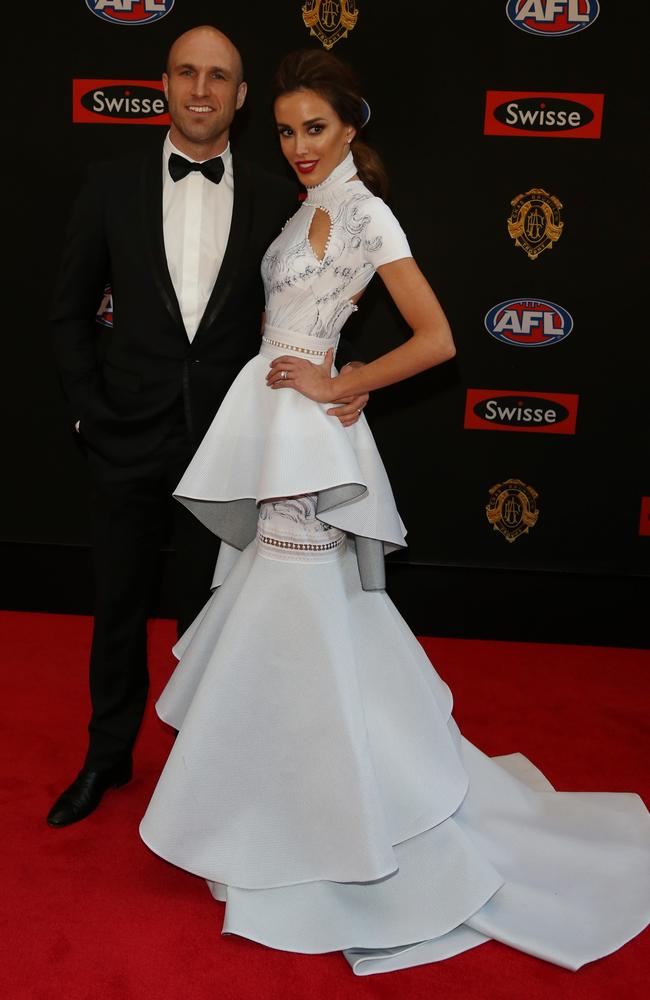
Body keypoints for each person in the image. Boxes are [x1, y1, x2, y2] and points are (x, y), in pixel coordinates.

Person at [139, 49, 650, 975]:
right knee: (302, 623)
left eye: (316, 128)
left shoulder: (367, 213)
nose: (298, 144)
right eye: (288, 129)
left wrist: (351, 380)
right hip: (277, 429)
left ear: (352, 129)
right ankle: (295, 812)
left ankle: (322, 831)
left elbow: (440, 338)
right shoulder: (313, 207)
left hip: (303, 439)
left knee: (293, 624)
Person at [46, 27, 369, 829]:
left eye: (219, 76)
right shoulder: (108, 184)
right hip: (122, 435)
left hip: (227, 446)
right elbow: (68, 311)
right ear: (164, 83)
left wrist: (349, 382)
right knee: (117, 606)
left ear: (241, 95)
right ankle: (107, 755)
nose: (201, 89)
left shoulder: (275, 196)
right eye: (187, 72)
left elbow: (323, 300)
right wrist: (89, 410)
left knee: (214, 611)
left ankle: (205, 768)